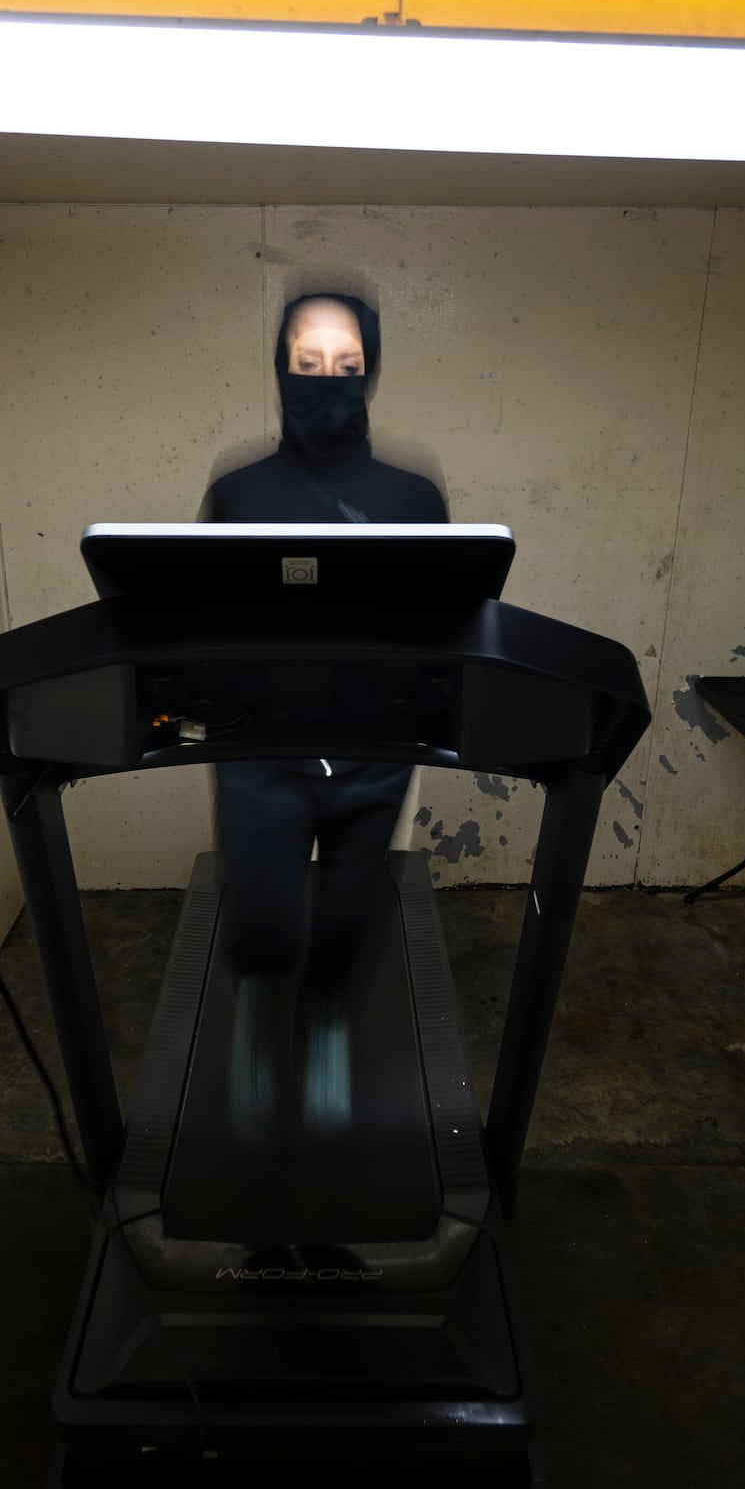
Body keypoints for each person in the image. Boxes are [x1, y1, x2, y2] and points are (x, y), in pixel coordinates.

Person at [203, 293, 446, 1135]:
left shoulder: (412, 496)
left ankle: (327, 1017)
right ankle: (259, 1017)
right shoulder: (238, 492)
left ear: (369, 371)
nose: (326, 381)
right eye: (308, 364)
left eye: (346, 365)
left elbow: (447, 615)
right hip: (262, 744)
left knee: (349, 911)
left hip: (373, 742)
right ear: (281, 367)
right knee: (265, 910)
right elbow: (198, 611)